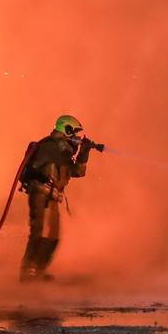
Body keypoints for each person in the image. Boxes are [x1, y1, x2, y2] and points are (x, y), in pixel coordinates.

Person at [19, 114, 96, 281]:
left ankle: (38, 271)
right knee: (37, 230)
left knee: (54, 235)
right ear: (66, 130)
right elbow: (70, 167)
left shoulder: (62, 148)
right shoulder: (52, 146)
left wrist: (84, 153)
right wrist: (80, 151)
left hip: (51, 195)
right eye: (74, 134)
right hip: (39, 192)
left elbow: (77, 171)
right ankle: (27, 272)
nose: (76, 137)